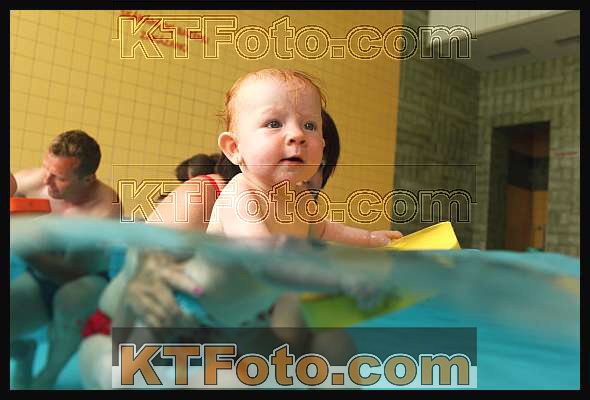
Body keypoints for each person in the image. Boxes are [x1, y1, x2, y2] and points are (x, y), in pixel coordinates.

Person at [10, 130, 120, 389]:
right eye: (46, 168)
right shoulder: (35, 180)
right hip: (40, 278)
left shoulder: (104, 209)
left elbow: (71, 272)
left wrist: (23, 248)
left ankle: (48, 376)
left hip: (86, 283)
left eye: (58, 177)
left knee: (71, 300)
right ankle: (22, 351)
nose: (46, 180)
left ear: (87, 179)